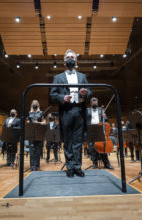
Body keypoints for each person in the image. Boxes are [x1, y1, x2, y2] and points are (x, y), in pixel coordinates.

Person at [50, 49, 92, 177]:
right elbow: (53, 94)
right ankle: (70, 167)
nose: (70, 59)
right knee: (68, 141)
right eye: (67, 57)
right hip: (66, 111)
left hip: (79, 110)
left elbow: (90, 91)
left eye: (72, 57)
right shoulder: (57, 77)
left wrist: (86, 93)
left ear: (76, 61)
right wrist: (62, 98)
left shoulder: (82, 76)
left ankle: (78, 167)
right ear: (64, 62)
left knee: (78, 141)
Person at [86, 97, 114, 169]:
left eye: (96, 102)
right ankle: (95, 164)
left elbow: (106, 119)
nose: (95, 103)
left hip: (100, 128)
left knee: (102, 147)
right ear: (91, 103)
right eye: (93, 102)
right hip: (91, 129)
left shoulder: (101, 110)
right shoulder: (87, 110)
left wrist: (105, 117)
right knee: (92, 148)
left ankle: (107, 164)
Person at [28, 100, 46, 171]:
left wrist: (38, 122)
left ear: (38, 105)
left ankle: (37, 165)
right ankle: (32, 166)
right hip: (31, 133)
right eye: (33, 103)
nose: (34, 104)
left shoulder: (41, 113)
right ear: (32, 105)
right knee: (32, 151)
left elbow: (44, 122)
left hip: (39, 133)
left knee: (38, 151)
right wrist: (29, 122)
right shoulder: (30, 113)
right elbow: (28, 121)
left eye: (36, 103)